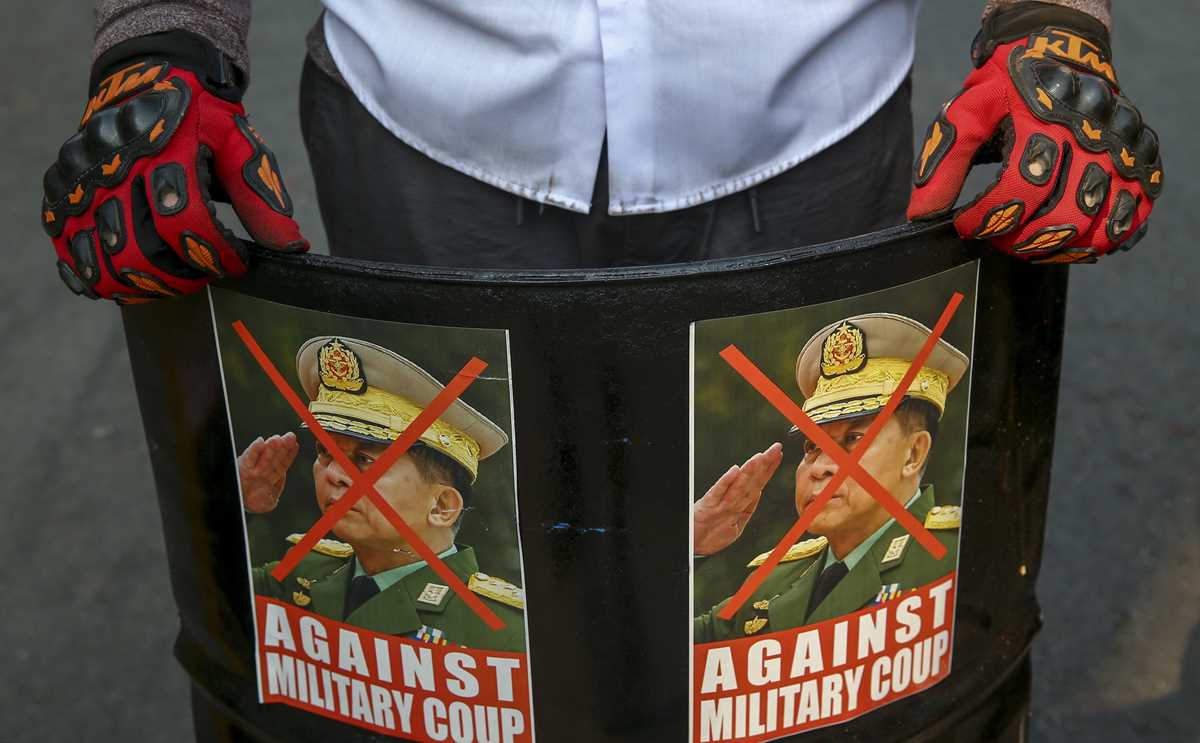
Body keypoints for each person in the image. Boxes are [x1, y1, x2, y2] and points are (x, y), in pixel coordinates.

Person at [42, 1, 1161, 301]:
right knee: (477, 601)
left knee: (787, 601)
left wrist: (1051, 21)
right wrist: (161, 34)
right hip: (423, 104)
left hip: (811, 111)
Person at [239, 335, 526, 652]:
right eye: (326, 452)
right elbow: (214, 612)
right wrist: (235, 501)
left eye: (364, 460)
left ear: (442, 506)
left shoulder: (505, 634)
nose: (333, 474)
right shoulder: (302, 574)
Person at [693, 313, 969, 642]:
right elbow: (665, 651)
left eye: (854, 439)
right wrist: (692, 543)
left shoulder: (958, 555)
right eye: (813, 446)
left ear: (913, 454)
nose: (820, 467)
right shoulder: (773, 582)